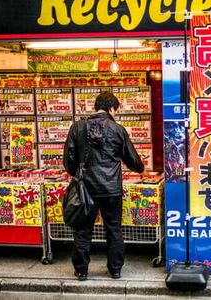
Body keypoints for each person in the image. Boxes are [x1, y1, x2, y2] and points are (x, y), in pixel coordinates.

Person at [63, 92, 145, 281]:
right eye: (116, 110)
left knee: (83, 230)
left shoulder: (77, 128)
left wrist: (78, 174)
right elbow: (132, 160)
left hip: (85, 189)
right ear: (111, 109)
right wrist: (140, 169)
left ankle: (82, 271)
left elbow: (69, 161)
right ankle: (115, 270)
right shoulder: (117, 129)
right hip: (111, 189)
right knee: (114, 229)